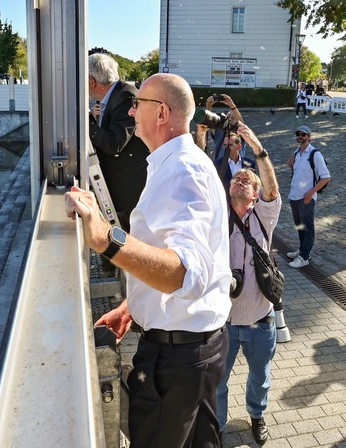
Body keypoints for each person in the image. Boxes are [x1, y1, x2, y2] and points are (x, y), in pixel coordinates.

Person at [65, 73, 231, 447]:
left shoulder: (182, 171)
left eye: (137, 103)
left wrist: (108, 239)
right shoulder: (177, 163)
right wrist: (134, 304)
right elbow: (184, 258)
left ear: (161, 113)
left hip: (177, 359)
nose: (132, 110)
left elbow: (184, 273)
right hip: (195, 351)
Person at [217, 122, 281, 447]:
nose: (241, 179)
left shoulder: (263, 217)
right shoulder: (218, 217)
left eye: (248, 180)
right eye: (237, 178)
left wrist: (256, 147)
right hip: (223, 322)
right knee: (217, 382)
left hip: (259, 320)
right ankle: (216, 426)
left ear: (255, 195)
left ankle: (257, 415)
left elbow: (272, 187)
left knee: (260, 378)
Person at [88, 53, 149, 233]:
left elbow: (114, 144)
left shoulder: (125, 96)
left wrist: (86, 121)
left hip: (130, 190)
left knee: (130, 244)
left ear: (92, 81)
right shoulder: (117, 95)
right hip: (124, 186)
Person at [285, 125, 330, 268]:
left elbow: (325, 177)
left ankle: (304, 257)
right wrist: (290, 165)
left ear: (309, 137)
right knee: (300, 226)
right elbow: (299, 173)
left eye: (303, 134)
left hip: (306, 198)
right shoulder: (297, 153)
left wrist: (311, 193)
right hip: (294, 196)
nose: (300, 136)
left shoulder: (315, 154)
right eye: (298, 134)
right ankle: (302, 249)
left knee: (308, 228)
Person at [194, 93, 245, 159]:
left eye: (233, 117)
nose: (230, 119)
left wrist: (231, 105)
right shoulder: (220, 133)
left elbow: (241, 123)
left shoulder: (241, 135)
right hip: (220, 168)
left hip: (238, 168)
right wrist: (208, 106)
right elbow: (208, 122)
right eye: (228, 116)